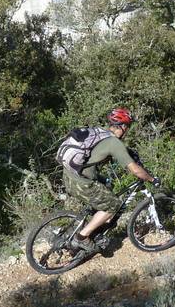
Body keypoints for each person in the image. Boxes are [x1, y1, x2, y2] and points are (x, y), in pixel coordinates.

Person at [63, 107, 159, 253]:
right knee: (114, 205)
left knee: (108, 185)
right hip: (82, 183)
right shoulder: (115, 143)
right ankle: (81, 237)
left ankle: (97, 227)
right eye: (127, 126)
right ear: (123, 126)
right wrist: (152, 179)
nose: (127, 130)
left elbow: (103, 150)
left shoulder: (101, 132)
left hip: (69, 176)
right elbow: (135, 170)